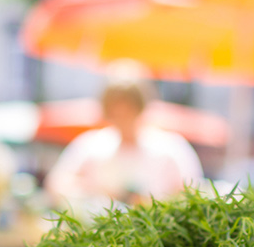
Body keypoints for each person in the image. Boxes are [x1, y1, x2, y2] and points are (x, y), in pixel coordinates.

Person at [45, 71, 204, 212]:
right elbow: (57, 185)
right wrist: (96, 191)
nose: (122, 115)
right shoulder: (89, 147)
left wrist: (150, 203)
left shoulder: (171, 149)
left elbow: (191, 196)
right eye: (116, 109)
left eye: (128, 108)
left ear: (141, 107)